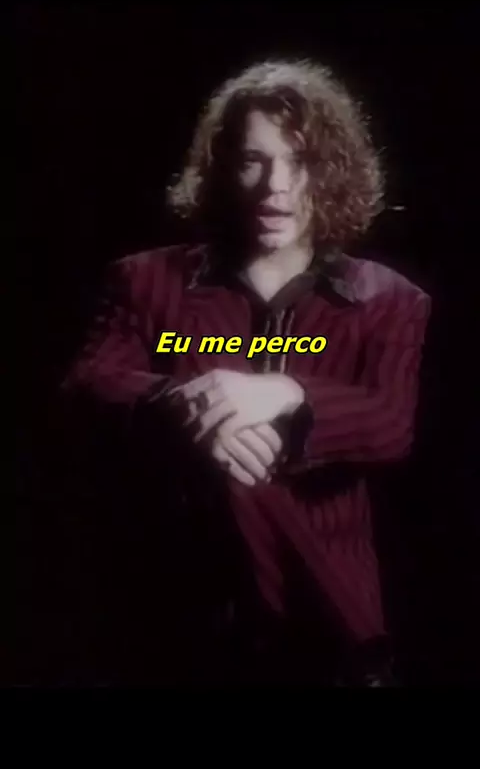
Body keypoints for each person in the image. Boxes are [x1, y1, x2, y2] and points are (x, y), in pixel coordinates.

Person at [61, 59, 431, 686]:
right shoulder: (145, 280)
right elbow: (89, 383)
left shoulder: (391, 299)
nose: (274, 187)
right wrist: (194, 408)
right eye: (253, 160)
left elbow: (390, 424)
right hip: (172, 617)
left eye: (300, 161)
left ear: (332, 171)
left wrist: (286, 392)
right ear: (223, 167)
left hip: (327, 620)